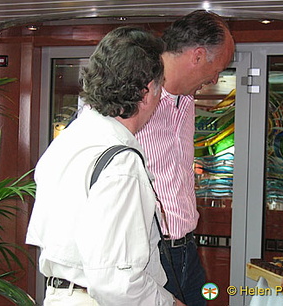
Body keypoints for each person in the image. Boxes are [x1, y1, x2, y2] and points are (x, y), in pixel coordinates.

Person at [26, 26, 185, 306]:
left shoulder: (70, 141)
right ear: (147, 92)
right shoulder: (121, 162)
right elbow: (118, 283)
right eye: (161, 88)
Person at [136, 10, 235, 305]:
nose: (216, 77)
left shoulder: (187, 99)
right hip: (148, 252)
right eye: (218, 67)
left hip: (187, 249)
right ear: (198, 55)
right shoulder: (135, 99)